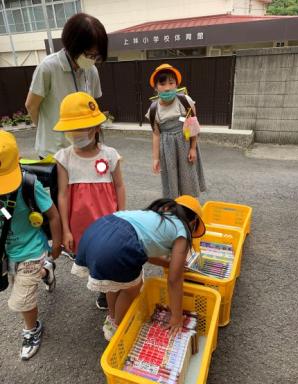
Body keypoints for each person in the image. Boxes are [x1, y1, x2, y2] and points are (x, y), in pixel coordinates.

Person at [71, 195, 206, 341]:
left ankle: (112, 317)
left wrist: (168, 263)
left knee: (115, 282)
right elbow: (174, 280)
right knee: (132, 287)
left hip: (99, 230)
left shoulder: (159, 215)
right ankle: (118, 328)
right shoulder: (183, 232)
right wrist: (176, 317)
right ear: (193, 223)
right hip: (117, 247)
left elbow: (145, 251)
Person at [53, 92, 126, 307]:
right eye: (72, 130)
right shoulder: (64, 157)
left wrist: (123, 215)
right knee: (91, 257)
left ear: (95, 128)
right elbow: (63, 194)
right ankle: (103, 287)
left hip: (109, 221)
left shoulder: (110, 154)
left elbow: (119, 186)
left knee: (109, 255)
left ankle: (107, 290)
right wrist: (66, 230)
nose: (76, 134)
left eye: (81, 128)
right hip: (80, 225)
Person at [0, 131, 62, 360]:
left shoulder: (28, 183)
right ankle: (47, 270)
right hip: (7, 252)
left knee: (22, 298)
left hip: (32, 249)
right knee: (19, 282)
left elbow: (53, 215)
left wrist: (56, 243)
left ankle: (32, 329)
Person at [25, 12, 108, 158]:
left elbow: (93, 108)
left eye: (97, 56)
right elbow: (31, 106)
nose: (93, 60)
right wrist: (49, 132)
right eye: (90, 54)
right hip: (54, 153)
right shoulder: (48, 67)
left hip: (83, 149)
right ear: (73, 45)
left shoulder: (92, 70)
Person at [146, 63, 206, 198]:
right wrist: (155, 158)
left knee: (188, 178)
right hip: (167, 148)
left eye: (171, 83)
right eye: (162, 84)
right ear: (155, 87)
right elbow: (156, 134)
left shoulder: (185, 101)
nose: (167, 88)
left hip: (185, 144)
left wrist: (193, 148)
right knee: (171, 179)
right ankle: (175, 208)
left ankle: (189, 207)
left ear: (177, 84)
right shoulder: (153, 110)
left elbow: (193, 126)